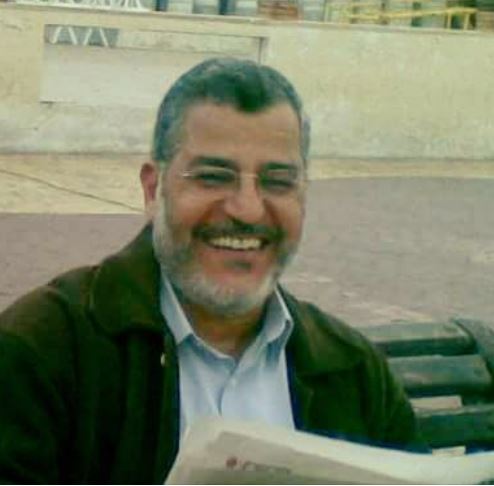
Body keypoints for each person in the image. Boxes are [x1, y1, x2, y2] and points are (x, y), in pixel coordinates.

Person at [0, 57, 423, 483]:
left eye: (278, 182)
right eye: (213, 177)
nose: (247, 210)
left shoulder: (354, 372)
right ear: (153, 189)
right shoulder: (41, 355)